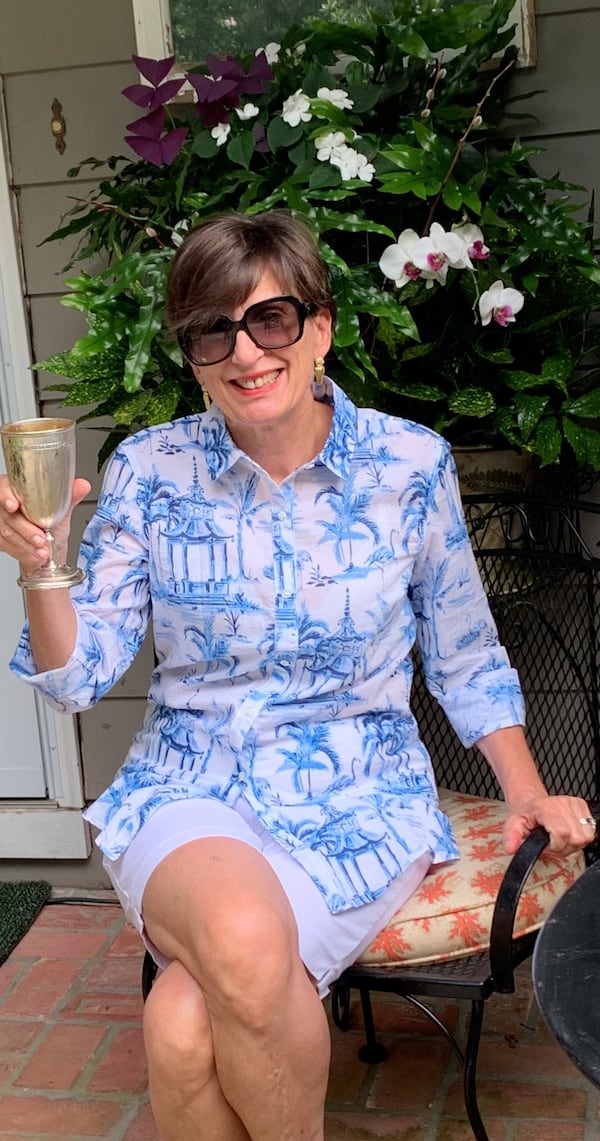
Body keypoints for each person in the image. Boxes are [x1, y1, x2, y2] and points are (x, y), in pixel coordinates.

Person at [0, 210, 594, 1141]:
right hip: (187, 787)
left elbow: (466, 652)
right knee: (238, 937)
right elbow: (81, 677)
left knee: (183, 1020)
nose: (246, 352)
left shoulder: (408, 464)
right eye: (213, 330)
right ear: (192, 354)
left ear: (319, 326)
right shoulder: (150, 472)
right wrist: (43, 567)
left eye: (271, 319)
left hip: (357, 796)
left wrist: (525, 790)